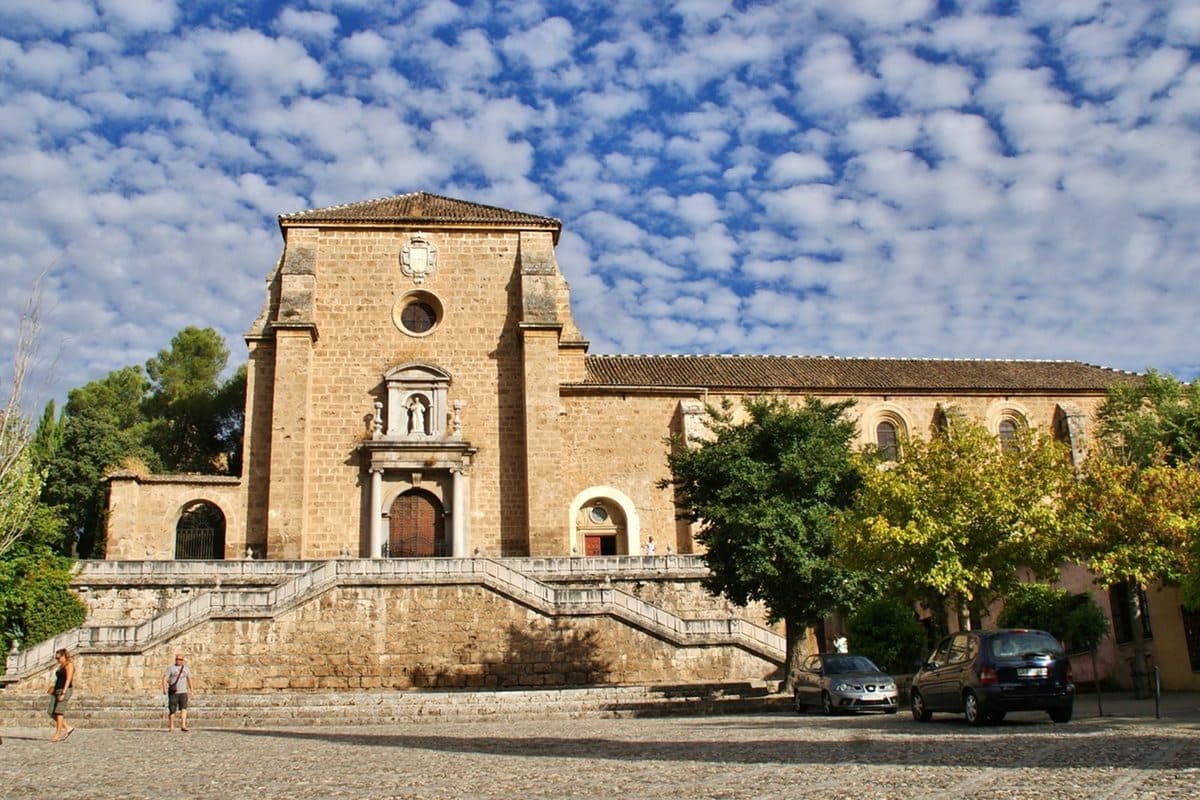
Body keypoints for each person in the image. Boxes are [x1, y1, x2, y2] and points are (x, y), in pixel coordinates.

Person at [48, 648, 75, 742]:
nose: (57, 660)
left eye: (58, 658)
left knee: (59, 712)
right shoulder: (61, 665)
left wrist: (63, 692)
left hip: (64, 690)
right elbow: (59, 679)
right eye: (56, 658)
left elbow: (68, 679)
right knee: (51, 712)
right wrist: (53, 687)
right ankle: (68, 728)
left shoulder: (69, 665)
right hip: (57, 690)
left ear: (64, 656)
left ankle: (57, 734)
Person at [162, 652, 194, 732]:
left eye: (180, 659)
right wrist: (164, 688)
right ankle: (171, 726)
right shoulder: (170, 668)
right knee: (172, 710)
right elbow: (165, 678)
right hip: (174, 692)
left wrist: (191, 689)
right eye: (177, 659)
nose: (178, 661)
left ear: (183, 660)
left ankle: (183, 725)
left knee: (184, 708)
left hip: (183, 691)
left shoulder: (186, 668)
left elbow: (189, 679)